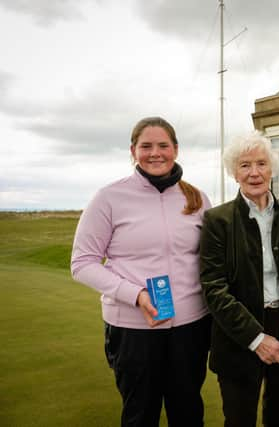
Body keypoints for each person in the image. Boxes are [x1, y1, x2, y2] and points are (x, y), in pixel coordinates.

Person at [71, 116, 212, 426]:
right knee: (139, 416)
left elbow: (212, 260)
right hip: (132, 330)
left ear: (176, 149)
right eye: (146, 146)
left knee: (188, 414)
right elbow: (82, 263)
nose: (155, 153)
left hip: (190, 328)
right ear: (133, 151)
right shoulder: (108, 198)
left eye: (163, 145)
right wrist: (135, 295)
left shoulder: (198, 198)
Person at [199, 131, 279, 427]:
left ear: (271, 168)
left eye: (261, 163)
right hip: (238, 335)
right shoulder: (218, 220)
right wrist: (255, 338)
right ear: (233, 173)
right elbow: (214, 288)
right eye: (244, 165)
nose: (254, 173)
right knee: (239, 420)